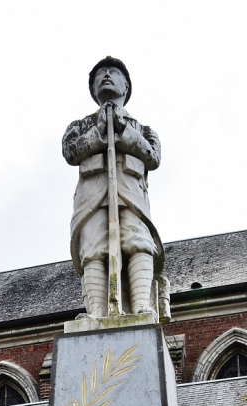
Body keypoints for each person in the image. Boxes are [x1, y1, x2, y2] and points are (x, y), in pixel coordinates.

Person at [62, 56, 167, 320]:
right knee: (93, 248)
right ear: (93, 88)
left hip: (130, 193)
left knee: (137, 241)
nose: (106, 76)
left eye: (113, 73)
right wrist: (98, 131)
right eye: (100, 74)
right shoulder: (79, 126)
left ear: (126, 87)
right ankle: (96, 313)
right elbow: (70, 151)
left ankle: (142, 305)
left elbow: (153, 156)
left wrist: (123, 132)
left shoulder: (143, 129)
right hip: (93, 196)